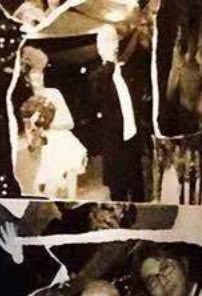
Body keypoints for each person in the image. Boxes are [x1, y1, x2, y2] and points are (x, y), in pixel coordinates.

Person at [14, 47, 87, 199]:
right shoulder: (27, 101)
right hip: (40, 144)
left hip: (60, 141)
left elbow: (69, 123)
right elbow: (27, 129)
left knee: (67, 181)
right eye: (33, 77)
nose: (37, 80)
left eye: (40, 75)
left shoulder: (54, 93)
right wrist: (33, 129)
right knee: (40, 188)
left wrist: (47, 125)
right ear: (27, 79)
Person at [87, 24, 144, 200]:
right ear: (99, 48)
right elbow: (98, 99)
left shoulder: (126, 72)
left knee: (138, 191)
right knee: (118, 193)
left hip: (132, 140)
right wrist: (110, 64)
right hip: (114, 145)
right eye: (107, 41)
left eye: (114, 40)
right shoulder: (97, 76)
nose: (113, 44)